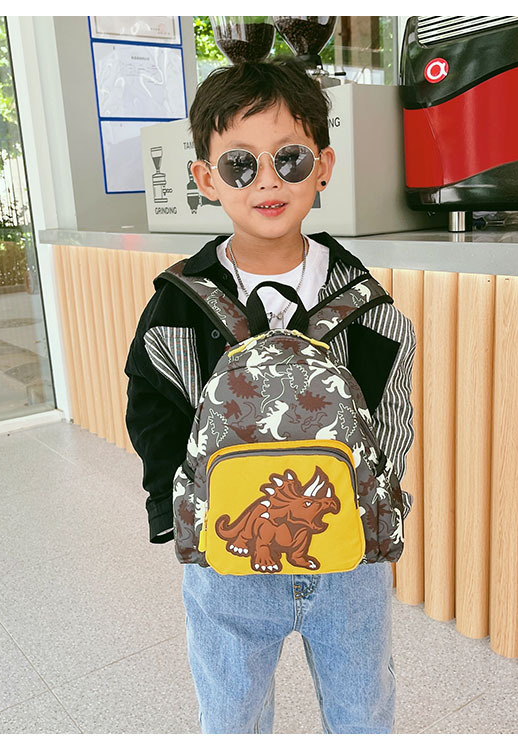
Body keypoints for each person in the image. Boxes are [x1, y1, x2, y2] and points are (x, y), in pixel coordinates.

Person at [124, 57, 415, 734]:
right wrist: (173, 511)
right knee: (232, 715)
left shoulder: (370, 308)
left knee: (362, 710)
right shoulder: (176, 308)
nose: (267, 181)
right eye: (239, 165)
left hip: (348, 558)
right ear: (205, 179)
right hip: (226, 562)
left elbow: (390, 420)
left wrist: (378, 509)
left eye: (289, 159)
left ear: (323, 166)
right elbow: (155, 409)